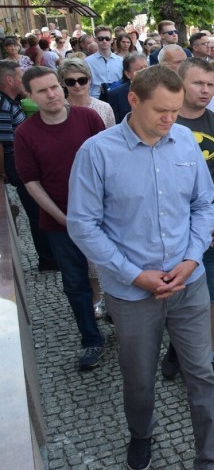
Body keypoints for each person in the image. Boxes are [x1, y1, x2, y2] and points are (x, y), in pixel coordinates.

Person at [66, 64, 214, 470]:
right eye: (161, 112)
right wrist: (134, 275)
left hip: (189, 283)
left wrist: (191, 260)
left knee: (201, 374)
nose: (171, 120)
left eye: (175, 110)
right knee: (138, 378)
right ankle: (141, 435)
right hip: (132, 293)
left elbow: (203, 204)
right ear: (133, 101)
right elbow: (83, 225)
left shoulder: (186, 140)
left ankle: (209, 457)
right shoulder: (97, 152)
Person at [157, 58, 214, 387]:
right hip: (173, 235)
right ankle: (178, 349)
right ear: (180, 83)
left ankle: (211, 355)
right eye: (198, 83)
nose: (206, 90)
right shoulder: (163, 123)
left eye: (211, 84)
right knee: (175, 294)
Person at [14, 66, 106, 370]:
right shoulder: (25, 133)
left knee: (117, 273)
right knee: (75, 282)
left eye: (54, 87)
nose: (52, 94)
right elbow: (31, 183)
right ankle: (91, 339)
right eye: (42, 90)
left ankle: (129, 325)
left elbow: (110, 163)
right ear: (30, 96)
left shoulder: (88, 118)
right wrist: (63, 218)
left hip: (103, 217)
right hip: (59, 223)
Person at [0, 60, 56, 270]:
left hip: (18, 162)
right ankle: (47, 259)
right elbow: (2, 141)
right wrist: (4, 171)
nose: (22, 78)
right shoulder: (2, 104)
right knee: (35, 211)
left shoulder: (11, 101)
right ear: (9, 79)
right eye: (19, 74)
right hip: (14, 164)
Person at [58, 58, 116, 128]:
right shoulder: (58, 109)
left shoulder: (104, 108)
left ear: (90, 80)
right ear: (63, 83)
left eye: (82, 80)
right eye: (70, 82)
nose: (77, 85)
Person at [107, 52, 149, 123]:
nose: (145, 72)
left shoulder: (159, 90)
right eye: (140, 69)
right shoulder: (116, 95)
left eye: (146, 67)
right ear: (128, 74)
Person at [85, 25, 123, 95]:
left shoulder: (121, 61)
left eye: (107, 38)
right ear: (96, 40)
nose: (104, 41)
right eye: (101, 38)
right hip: (96, 99)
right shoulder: (87, 62)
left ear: (111, 40)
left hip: (117, 98)